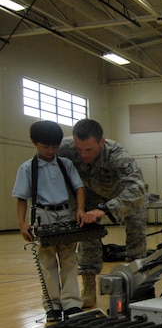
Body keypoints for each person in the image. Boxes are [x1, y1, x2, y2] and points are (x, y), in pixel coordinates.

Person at [58, 119, 148, 308]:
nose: (83, 155)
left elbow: (137, 188)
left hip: (122, 194)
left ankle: (135, 283)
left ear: (102, 141)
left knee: (136, 232)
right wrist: (77, 208)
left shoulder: (117, 154)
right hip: (87, 194)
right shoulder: (64, 148)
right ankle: (89, 286)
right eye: (79, 149)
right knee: (87, 234)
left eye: (89, 150)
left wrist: (107, 209)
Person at [12, 121, 86, 322]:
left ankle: (72, 303)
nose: (51, 150)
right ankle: (52, 305)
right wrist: (21, 223)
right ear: (34, 143)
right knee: (47, 263)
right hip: (41, 216)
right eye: (46, 146)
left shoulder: (65, 164)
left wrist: (79, 209)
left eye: (55, 146)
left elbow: (79, 188)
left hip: (65, 214)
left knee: (69, 259)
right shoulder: (27, 168)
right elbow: (21, 197)